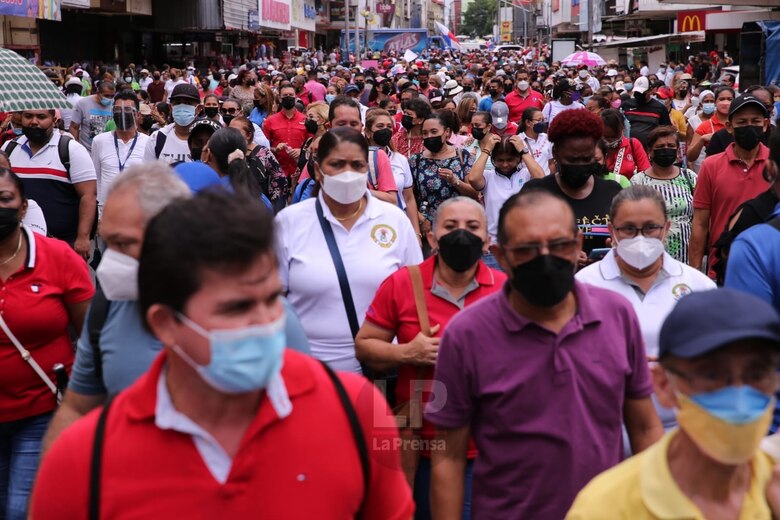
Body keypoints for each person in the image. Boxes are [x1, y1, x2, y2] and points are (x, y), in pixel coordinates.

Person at [31, 189, 414, 519]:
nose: (267, 323)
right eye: (236, 309)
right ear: (165, 324)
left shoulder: (355, 410)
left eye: (272, 299)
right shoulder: (86, 458)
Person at [426, 188, 663, 519]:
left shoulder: (617, 315)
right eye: (527, 249)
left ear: (578, 245)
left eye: (559, 245)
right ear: (500, 255)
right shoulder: (466, 335)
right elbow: (449, 455)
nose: (546, 258)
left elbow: (644, 428)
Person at [41, 163, 311, 452]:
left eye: (124, 244)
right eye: (108, 243)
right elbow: (78, 407)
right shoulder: (109, 307)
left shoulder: (263, 317)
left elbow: (306, 416)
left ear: (172, 235)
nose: (109, 261)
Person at [566, 288, 780, 520]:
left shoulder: (773, 481)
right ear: (664, 386)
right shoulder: (606, 508)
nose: (739, 397)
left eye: (757, 374)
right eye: (710, 375)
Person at [356, 197, 506, 519]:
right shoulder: (402, 283)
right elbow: (365, 346)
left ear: (487, 240)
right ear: (432, 237)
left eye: (472, 227)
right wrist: (408, 352)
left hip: (490, 448)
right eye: (450, 227)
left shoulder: (507, 291)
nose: (461, 234)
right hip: (424, 447)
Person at [276, 127, 422, 373]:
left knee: (378, 413)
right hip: (311, 373)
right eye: (336, 164)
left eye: (357, 165)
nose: (347, 174)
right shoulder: (290, 222)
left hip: (381, 371)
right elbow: (273, 300)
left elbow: (416, 295)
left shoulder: (393, 220)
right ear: (319, 170)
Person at [577, 185, 715, 427]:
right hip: (608, 426)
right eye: (629, 229)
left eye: (651, 228)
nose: (640, 238)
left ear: (667, 228)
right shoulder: (583, 287)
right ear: (612, 231)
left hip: (683, 427)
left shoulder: (698, 286)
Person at [0, 168, 93, 520]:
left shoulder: (58, 258)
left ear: (23, 208)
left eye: (4, 199)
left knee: (21, 510)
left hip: (40, 412)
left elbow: (90, 337)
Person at [690, 95, 771, 278]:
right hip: (723, 268)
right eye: (742, 122)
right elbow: (701, 223)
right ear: (729, 127)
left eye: (755, 121)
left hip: (769, 268)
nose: (749, 126)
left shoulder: (775, 164)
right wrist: (694, 273)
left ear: (765, 125)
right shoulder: (711, 166)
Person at [522, 108, 622, 256]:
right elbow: (521, 246)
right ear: (555, 152)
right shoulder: (534, 193)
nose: (580, 164)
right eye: (572, 159)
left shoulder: (613, 192)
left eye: (587, 159)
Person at [2, 110, 97, 258]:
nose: (34, 121)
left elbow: (88, 195)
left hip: (63, 245)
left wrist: (83, 237)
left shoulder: (71, 150)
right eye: (28, 116)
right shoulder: (9, 149)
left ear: (54, 120)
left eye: (41, 117)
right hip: (17, 246)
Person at [469, 134, 544, 265]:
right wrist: (487, 150)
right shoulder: (488, 177)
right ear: (493, 160)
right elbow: (473, 179)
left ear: (518, 159)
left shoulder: (526, 174)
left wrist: (523, 150)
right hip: (494, 248)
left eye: (510, 160)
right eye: (500, 160)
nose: (505, 164)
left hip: (524, 247)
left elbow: (540, 178)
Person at [410, 113, 479, 248]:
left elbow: (475, 194)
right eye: (425, 133)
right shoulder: (415, 160)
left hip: (459, 227)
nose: (429, 136)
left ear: (446, 132)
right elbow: (408, 197)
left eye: (434, 132)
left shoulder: (462, 156)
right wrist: (420, 219)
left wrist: (455, 181)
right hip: (428, 229)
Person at [631, 126, 697, 264]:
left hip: (686, 256)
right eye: (660, 146)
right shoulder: (638, 181)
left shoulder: (689, 177)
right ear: (650, 152)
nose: (666, 149)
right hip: (649, 257)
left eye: (671, 145)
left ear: (677, 150)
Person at [90, 90, 149, 218]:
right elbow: (96, 178)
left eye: (127, 110)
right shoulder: (99, 141)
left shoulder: (148, 143)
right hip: (105, 214)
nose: (122, 114)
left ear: (138, 115)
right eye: (117, 110)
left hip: (136, 214)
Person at [364, 109, 421, 237]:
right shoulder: (359, 159)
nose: (385, 130)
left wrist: (416, 233)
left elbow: (409, 198)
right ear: (368, 132)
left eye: (389, 127)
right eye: (380, 126)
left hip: (398, 222)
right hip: (370, 223)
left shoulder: (400, 159)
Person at [229, 116, 288, 212]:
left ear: (248, 135)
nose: (231, 135)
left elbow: (279, 183)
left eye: (235, 131)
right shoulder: (226, 152)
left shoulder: (263, 153)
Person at [143, 84, 202, 164]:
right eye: (177, 103)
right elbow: (149, 173)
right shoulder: (157, 138)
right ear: (171, 108)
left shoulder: (207, 139)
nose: (182, 107)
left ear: (198, 109)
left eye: (188, 103)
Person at [262, 82, 308, 179]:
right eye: (285, 95)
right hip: (277, 171)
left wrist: (301, 151)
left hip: (299, 171)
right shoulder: (270, 121)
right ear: (279, 98)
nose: (288, 97)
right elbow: (263, 148)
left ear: (295, 97)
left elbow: (312, 144)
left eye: (291, 95)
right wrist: (276, 149)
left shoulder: (305, 120)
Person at [620, 76, 673, 151]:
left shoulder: (660, 108)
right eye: (637, 92)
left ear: (650, 91)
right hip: (628, 148)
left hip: (649, 150)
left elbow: (666, 130)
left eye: (642, 92)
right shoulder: (626, 105)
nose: (639, 94)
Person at [686, 86, 734, 165]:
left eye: (729, 99)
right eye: (722, 99)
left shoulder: (738, 124)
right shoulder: (705, 126)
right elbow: (690, 157)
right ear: (715, 102)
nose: (726, 102)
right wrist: (702, 140)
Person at [601, 108, 650, 180]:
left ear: (623, 128)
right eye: (606, 137)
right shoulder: (597, 147)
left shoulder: (633, 144)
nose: (611, 140)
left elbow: (645, 174)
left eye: (614, 136)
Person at [69, 80, 116, 153]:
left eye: (112, 96)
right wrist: (74, 148)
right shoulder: (83, 103)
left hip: (107, 151)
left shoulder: (114, 105)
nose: (109, 98)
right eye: (106, 96)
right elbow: (74, 127)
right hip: (87, 151)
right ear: (98, 93)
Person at [684, 89, 715, 172]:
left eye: (711, 101)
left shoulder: (718, 119)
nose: (709, 103)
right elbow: (688, 143)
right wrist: (689, 163)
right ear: (701, 104)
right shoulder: (693, 121)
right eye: (706, 101)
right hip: (698, 162)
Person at [518, 107, 554, 176]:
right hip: (526, 183)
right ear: (528, 122)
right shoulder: (519, 140)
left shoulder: (547, 138)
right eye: (539, 120)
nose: (542, 123)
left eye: (543, 120)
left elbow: (551, 162)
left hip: (544, 182)